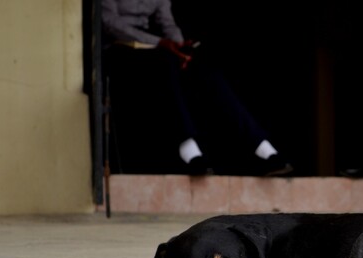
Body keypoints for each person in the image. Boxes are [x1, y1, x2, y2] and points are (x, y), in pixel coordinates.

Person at [101, 0, 292, 176]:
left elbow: (167, 24)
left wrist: (180, 47)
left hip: (156, 49)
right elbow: (109, 22)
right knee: (165, 63)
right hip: (120, 50)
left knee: (205, 70)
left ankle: (263, 148)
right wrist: (161, 43)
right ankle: (189, 150)